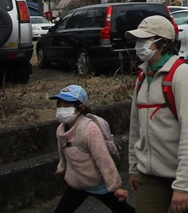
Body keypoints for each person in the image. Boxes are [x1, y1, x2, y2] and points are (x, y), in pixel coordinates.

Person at [126, 15, 188, 213]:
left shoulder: (183, 75)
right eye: (138, 40)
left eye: (144, 40)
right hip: (150, 174)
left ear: (163, 42)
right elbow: (135, 126)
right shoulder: (143, 74)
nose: (139, 45)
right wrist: (134, 168)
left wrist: (182, 185)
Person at [51, 85, 134, 213]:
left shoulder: (90, 130)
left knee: (123, 210)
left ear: (81, 108)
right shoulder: (60, 130)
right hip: (78, 183)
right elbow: (63, 151)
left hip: (98, 183)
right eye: (59, 106)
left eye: (67, 106)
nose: (62, 110)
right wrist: (61, 167)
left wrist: (115, 187)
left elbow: (104, 160)